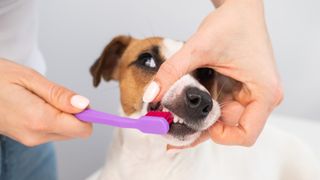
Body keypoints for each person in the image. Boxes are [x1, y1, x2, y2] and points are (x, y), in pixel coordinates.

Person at [0, 0, 282, 180]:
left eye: (203, 74)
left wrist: (246, 10)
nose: (193, 91)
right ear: (111, 68)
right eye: (148, 61)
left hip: (24, 135)